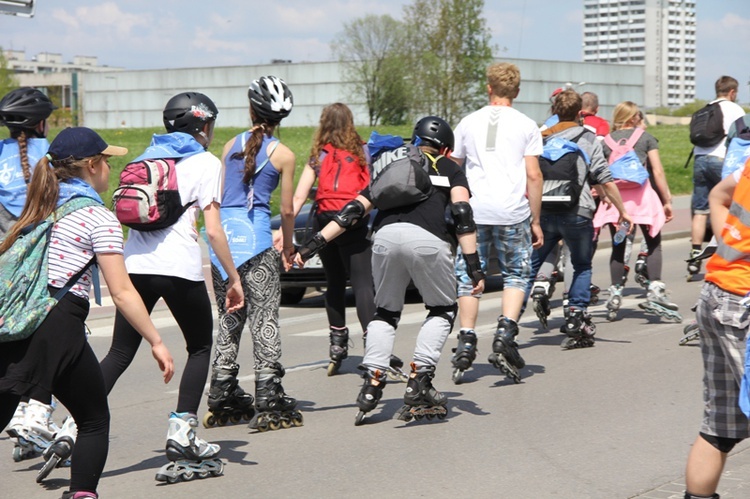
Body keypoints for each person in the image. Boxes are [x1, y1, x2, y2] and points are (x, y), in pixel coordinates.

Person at [0, 127, 174, 499]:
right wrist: (156, 340)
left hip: (13, 322)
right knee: (94, 419)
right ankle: (82, 494)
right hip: (56, 324)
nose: (111, 168)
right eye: (107, 161)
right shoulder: (97, 217)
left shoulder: (39, 205)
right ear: (93, 166)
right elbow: (123, 292)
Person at [296, 116, 484, 423]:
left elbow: (352, 211)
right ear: (446, 150)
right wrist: (474, 266)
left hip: (383, 240)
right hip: (427, 241)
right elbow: (462, 213)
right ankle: (420, 376)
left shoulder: (392, 166)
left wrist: (311, 246)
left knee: (385, 312)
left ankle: (372, 380)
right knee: (442, 309)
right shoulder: (450, 168)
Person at [99, 92, 243, 478]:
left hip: (135, 267)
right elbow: (213, 231)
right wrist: (233, 277)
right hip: (179, 267)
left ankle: (73, 426)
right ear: (201, 126)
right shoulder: (205, 162)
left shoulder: (143, 158)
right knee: (199, 346)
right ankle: (182, 432)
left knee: (118, 352)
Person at [204, 75, 302, 432]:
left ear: (250, 110)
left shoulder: (229, 144)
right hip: (258, 244)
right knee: (265, 318)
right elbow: (288, 211)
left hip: (223, 244)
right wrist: (288, 247)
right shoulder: (285, 154)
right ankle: (268, 392)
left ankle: (222, 388)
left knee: (229, 318)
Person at [451, 62, 543, 383]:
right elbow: (533, 174)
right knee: (515, 273)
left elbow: (454, 168)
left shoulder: (467, 122)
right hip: (511, 211)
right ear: (516, 92)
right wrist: (536, 219)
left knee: (468, 275)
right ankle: (505, 332)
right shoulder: (527, 125)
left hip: (474, 212)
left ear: (488, 88)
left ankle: (465, 339)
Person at [528, 89, 631, 349]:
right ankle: (576, 314)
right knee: (582, 264)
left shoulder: (540, 138)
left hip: (546, 211)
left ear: (554, 111)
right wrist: (622, 211)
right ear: (579, 114)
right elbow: (603, 177)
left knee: (533, 266)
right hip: (578, 211)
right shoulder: (589, 138)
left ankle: (510, 319)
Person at [284, 102, 379, 376]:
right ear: (350, 122)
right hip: (352, 220)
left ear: (324, 124)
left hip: (323, 222)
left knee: (333, 282)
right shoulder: (362, 151)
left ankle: (337, 345)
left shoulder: (320, 155)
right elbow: (370, 189)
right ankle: (374, 348)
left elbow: (299, 196)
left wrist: (288, 232)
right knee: (362, 284)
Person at [0, 87, 62, 458]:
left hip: (5, 263)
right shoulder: (51, 156)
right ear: (41, 122)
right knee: (51, 339)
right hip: (43, 261)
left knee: (14, 339)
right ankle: (35, 413)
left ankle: (23, 413)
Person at [682, 160, 750, 499]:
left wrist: (731, 243)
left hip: (720, 292)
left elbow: (718, 196)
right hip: (744, 303)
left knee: (719, 426)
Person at [593, 101, 678, 322]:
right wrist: (666, 200)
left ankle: (614, 292)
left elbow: (599, 174)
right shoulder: (646, 138)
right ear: (633, 118)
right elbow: (657, 171)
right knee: (653, 243)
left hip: (619, 204)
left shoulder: (606, 141)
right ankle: (656, 290)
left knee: (619, 245)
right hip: (643, 200)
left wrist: (604, 197)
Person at [687, 76, 745, 279]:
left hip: (700, 160)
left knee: (701, 210)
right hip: (721, 159)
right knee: (725, 205)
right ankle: (726, 253)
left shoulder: (705, 108)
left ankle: (694, 255)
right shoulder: (735, 109)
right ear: (732, 92)